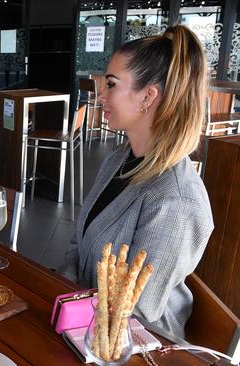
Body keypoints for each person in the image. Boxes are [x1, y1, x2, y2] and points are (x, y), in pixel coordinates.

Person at [59, 25, 214, 339]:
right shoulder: (118, 158)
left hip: (137, 347)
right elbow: (78, 244)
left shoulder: (175, 201)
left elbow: (135, 315)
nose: (100, 95)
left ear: (148, 96)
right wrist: (60, 296)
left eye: (112, 84)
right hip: (79, 326)